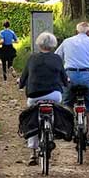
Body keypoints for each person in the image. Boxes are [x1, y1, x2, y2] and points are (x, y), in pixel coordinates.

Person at [19, 31, 69, 165]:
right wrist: (65, 83)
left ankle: (33, 153)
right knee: (56, 108)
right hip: (54, 94)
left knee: (33, 119)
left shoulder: (32, 58)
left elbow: (23, 78)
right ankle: (54, 129)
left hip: (34, 95)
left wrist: (21, 84)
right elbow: (64, 80)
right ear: (53, 45)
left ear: (39, 44)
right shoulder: (57, 59)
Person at [56, 21, 89, 147]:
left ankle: (68, 130)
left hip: (70, 76)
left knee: (67, 103)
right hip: (88, 76)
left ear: (76, 31)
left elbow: (57, 59)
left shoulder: (67, 42)